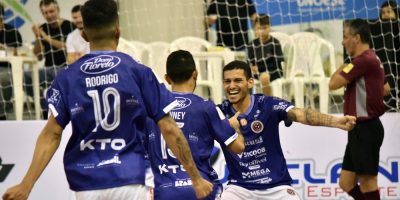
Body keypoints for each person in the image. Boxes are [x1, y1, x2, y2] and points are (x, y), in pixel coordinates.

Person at [2, 0, 213, 200]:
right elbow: (168, 128)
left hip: (86, 182)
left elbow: (51, 134)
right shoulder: (138, 72)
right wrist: (195, 178)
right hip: (130, 178)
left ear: (84, 35)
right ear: (118, 31)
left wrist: (26, 184)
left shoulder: (67, 76)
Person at [218, 60, 356, 200]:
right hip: (239, 188)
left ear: (250, 82)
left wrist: (335, 121)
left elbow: (301, 114)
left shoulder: (267, 104)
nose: (232, 86)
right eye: (227, 81)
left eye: (237, 80)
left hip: (277, 187)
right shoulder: (218, 113)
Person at [145, 50, 245, 200]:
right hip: (201, 188)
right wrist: (236, 127)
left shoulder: (151, 110)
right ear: (195, 74)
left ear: (167, 78)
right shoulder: (206, 107)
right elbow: (238, 148)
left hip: (164, 191)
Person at [329, 19, 390, 200]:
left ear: (356, 38)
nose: (342, 41)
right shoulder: (373, 58)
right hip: (359, 129)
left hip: (367, 129)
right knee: (346, 183)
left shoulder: (361, 61)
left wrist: (344, 66)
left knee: (368, 183)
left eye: (345, 37)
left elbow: (332, 84)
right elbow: (386, 88)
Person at [25, 0, 76, 118]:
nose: (48, 15)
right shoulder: (44, 28)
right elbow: (39, 56)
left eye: (51, 11)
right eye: (45, 13)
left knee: (58, 74)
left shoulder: (69, 26)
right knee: (26, 76)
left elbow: (66, 47)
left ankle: (56, 109)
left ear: (58, 10)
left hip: (66, 68)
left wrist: (44, 36)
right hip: (48, 69)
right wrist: (37, 36)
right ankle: (44, 106)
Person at [247, 14, 284, 96]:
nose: (261, 31)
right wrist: (251, 68)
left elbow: (278, 63)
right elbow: (249, 62)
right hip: (257, 73)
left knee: (264, 77)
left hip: (273, 72)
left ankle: (268, 103)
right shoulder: (252, 44)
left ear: (269, 27)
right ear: (254, 29)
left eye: (264, 28)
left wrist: (259, 68)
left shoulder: (275, 43)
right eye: (259, 28)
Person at [0, 3, 23, 120]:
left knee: (3, 78)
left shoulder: (12, 31)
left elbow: (17, 54)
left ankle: (2, 113)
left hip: (7, 68)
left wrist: (4, 49)